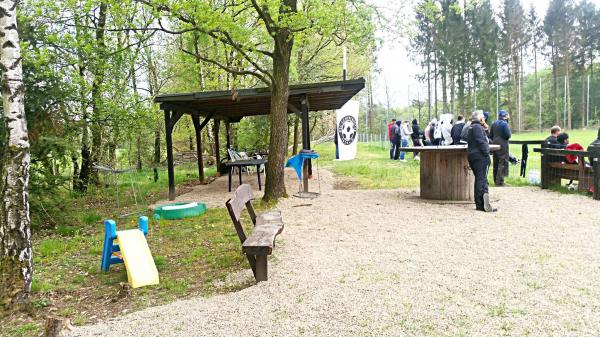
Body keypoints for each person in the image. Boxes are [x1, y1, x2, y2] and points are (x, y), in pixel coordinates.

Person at [467, 111, 496, 212]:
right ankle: (482, 204)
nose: (484, 119)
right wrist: (486, 152)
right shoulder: (477, 128)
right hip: (480, 157)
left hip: (473, 155)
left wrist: (486, 127)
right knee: (482, 180)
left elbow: (486, 137)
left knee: (480, 179)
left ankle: (481, 203)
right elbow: (482, 141)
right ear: (480, 118)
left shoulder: (472, 127)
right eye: (483, 118)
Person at [490, 110, 512, 186]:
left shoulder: (493, 123)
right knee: (502, 162)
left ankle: (495, 180)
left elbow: (490, 135)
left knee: (495, 162)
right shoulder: (504, 124)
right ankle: (500, 182)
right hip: (503, 145)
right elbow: (508, 135)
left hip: (494, 144)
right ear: (505, 116)